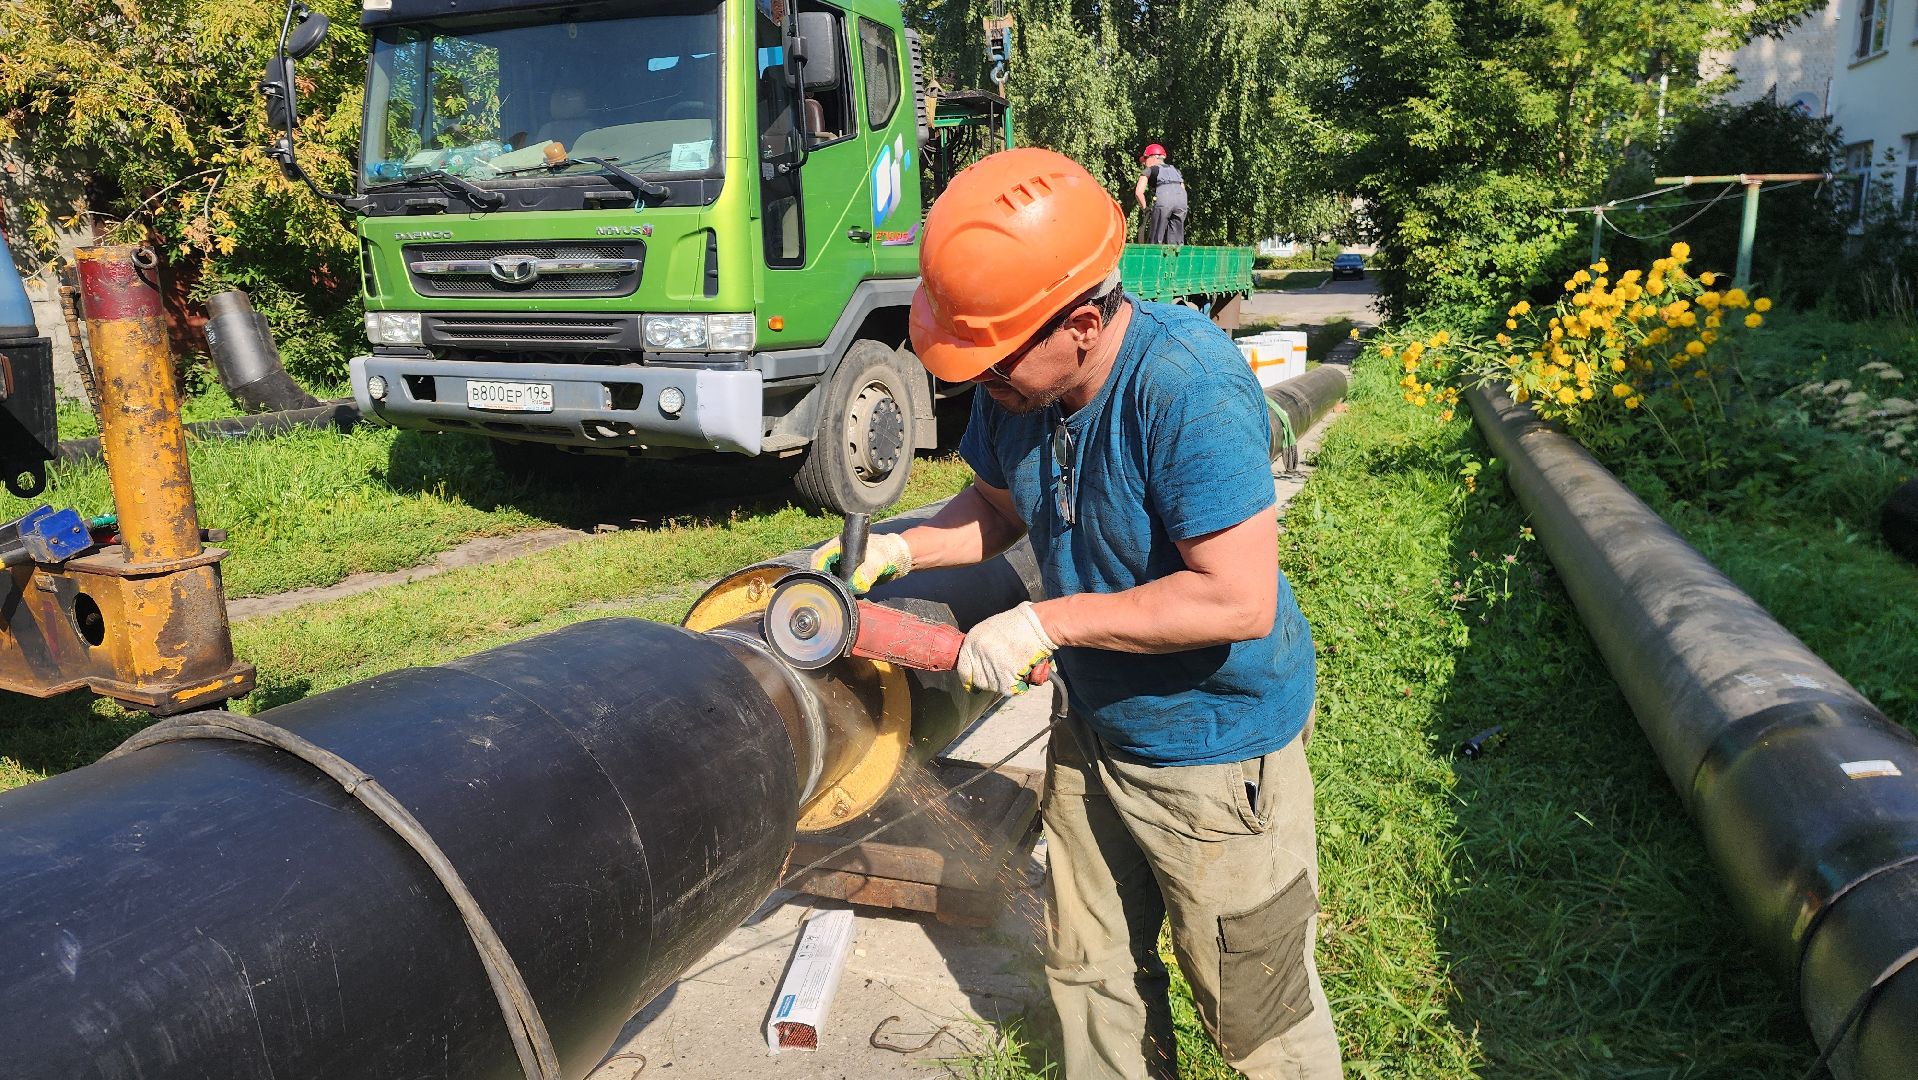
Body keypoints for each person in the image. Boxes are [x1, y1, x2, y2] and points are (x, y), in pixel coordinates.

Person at [811, 148, 1342, 1079]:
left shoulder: (1187, 389)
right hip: (1093, 726)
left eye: (997, 368)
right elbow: (996, 507)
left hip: (1211, 746)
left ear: (1085, 324)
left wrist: (1047, 624)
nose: (985, 388)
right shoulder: (1021, 385)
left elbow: (1237, 597)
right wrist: (901, 546)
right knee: (1091, 973)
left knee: (1255, 1008)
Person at [1134, 143, 1188, 246]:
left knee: (1156, 237)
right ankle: (1175, 260)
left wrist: (1145, 209)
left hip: (1164, 200)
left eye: (1146, 158)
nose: (1144, 162)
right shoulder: (1176, 170)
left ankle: (1154, 259)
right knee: (1176, 242)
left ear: (1154, 157)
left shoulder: (1149, 170)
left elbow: (1138, 192)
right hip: (1181, 201)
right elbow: (1182, 189)